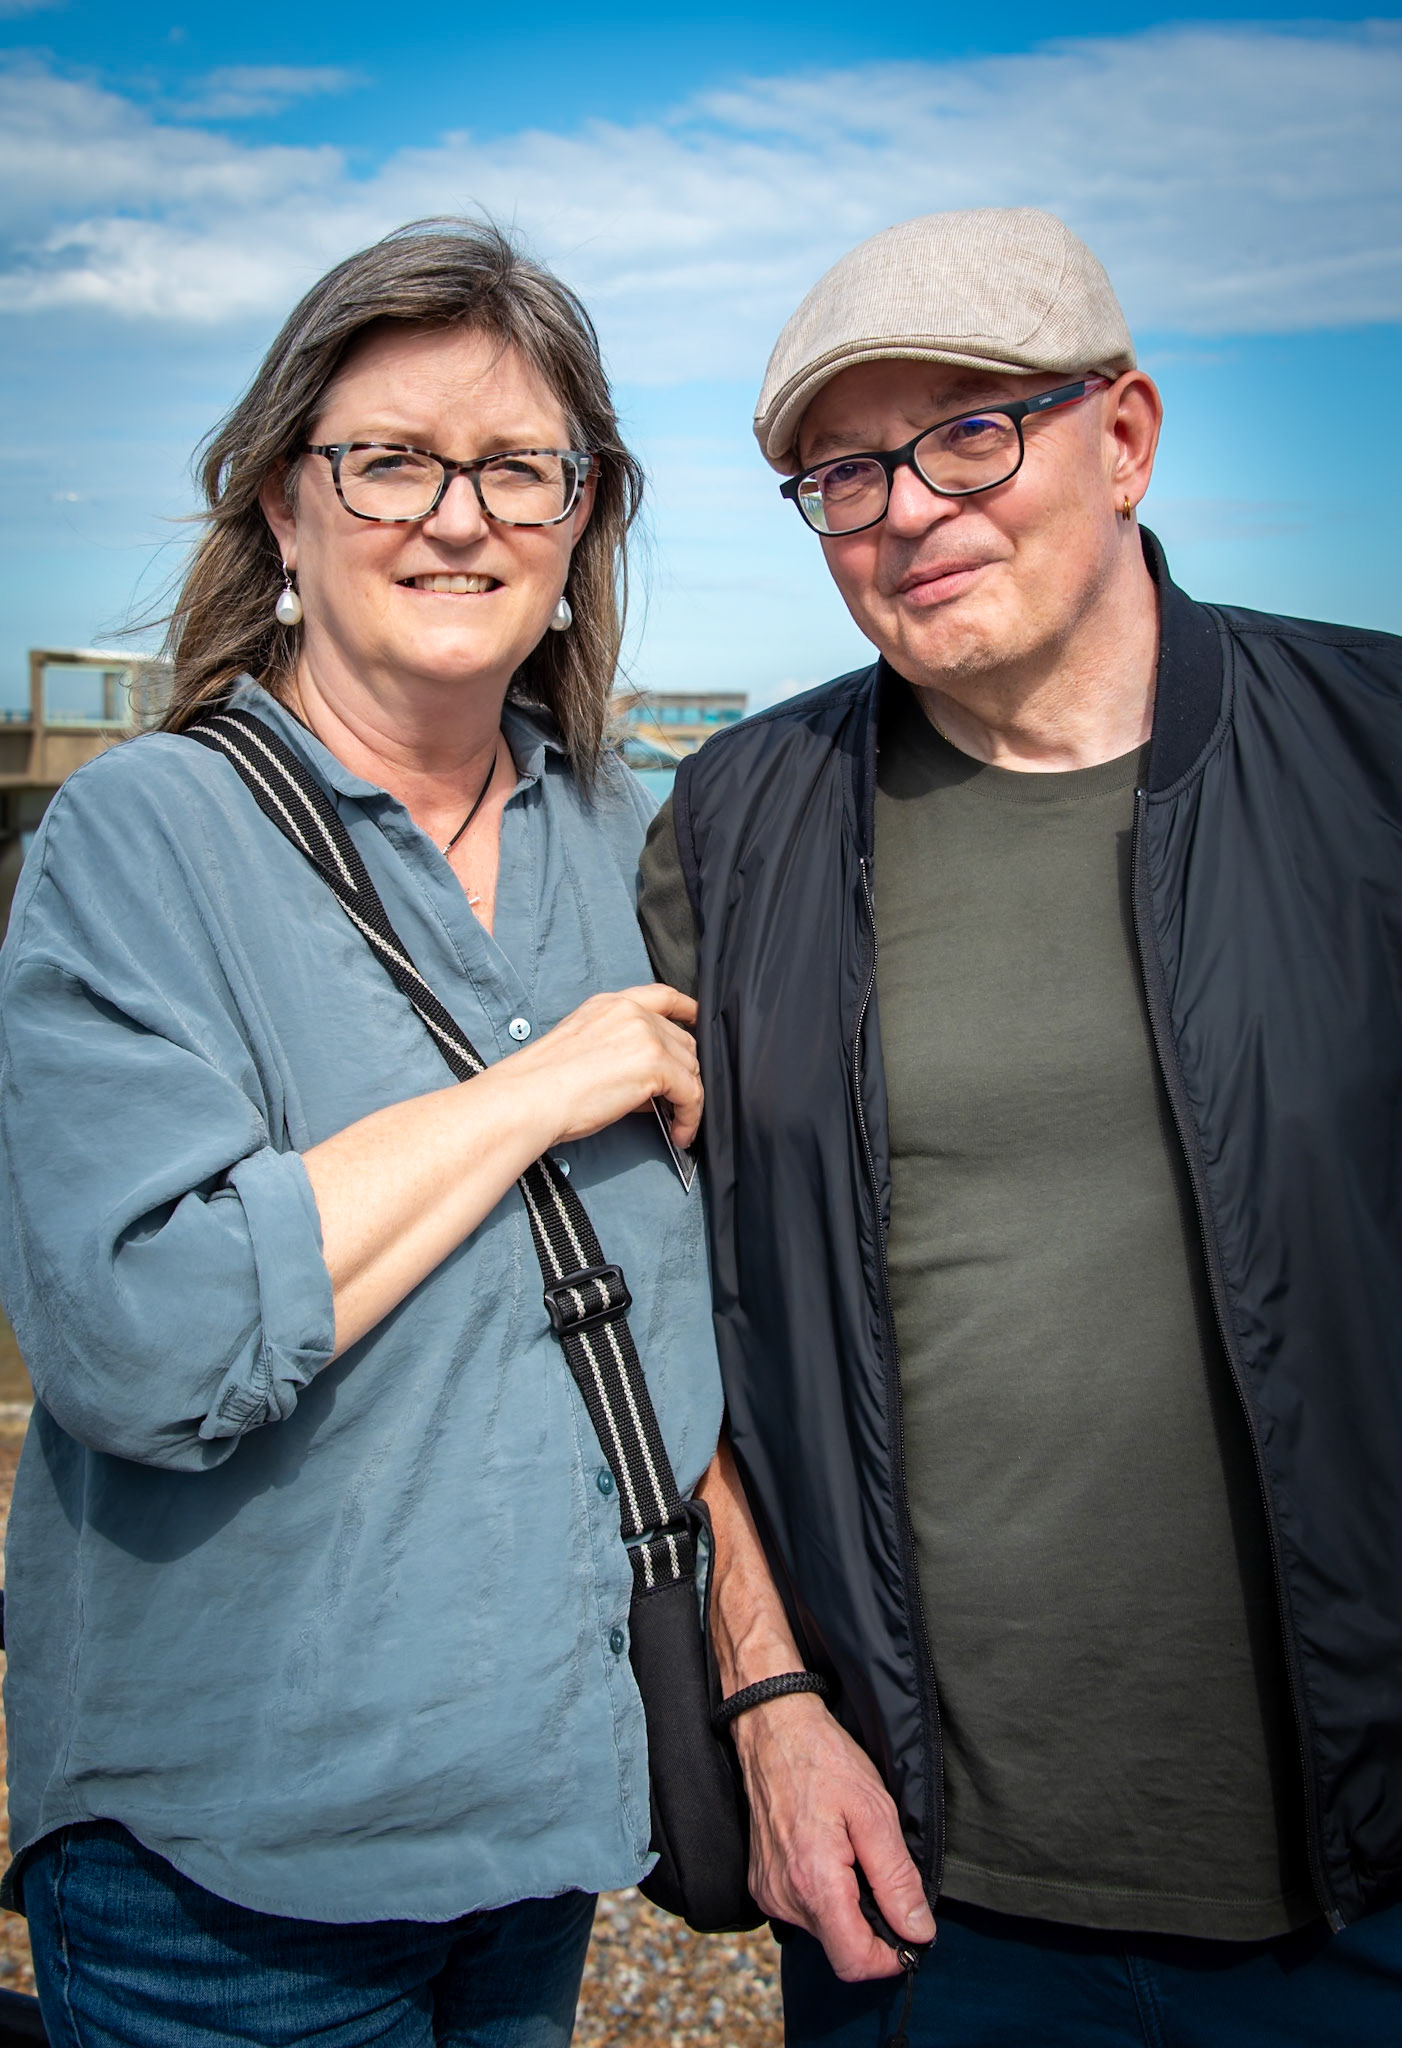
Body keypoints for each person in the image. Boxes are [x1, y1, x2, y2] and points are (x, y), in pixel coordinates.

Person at [638, 207, 1402, 2043]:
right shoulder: (735, 826)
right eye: (843, 473)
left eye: (969, 433)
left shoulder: (1374, 752)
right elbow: (649, 1319)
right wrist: (767, 1701)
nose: (908, 509)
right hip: (923, 1899)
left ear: (1122, 436)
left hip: (1369, 1888)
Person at [0, 219, 722, 2048]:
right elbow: (141, 1341)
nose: (457, 519)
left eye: (519, 468)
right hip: (235, 1868)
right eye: (390, 460)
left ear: (579, 519)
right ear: (281, 507)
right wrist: (537, 1088)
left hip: (547, 1818)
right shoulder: (141, 839)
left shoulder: (632, 838)